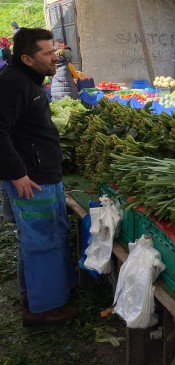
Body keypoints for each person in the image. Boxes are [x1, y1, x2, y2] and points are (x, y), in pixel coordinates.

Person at [0, 28, 78, 325]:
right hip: (30, 181)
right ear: (27, 58)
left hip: (43, 175)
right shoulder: (10, 84)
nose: (53, 57)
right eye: (47, 53)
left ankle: (41, 295)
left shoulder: (26, 79)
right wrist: (17, 173)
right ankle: (42, 309)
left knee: (47, 238)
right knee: (40, 242)